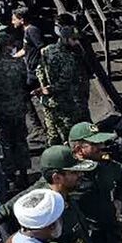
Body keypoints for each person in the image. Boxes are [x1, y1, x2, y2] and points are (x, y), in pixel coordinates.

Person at [0, 146, 98, 243]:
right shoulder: (46, 213)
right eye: (74, 172)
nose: (80, 175)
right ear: (57, 178)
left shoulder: (59, 190)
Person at [0, 31, 30, 187]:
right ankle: (23, 173)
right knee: (21, 141)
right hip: (18, 109)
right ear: (8, 47)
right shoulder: (18, 64)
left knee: (5, 143)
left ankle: (10, 176)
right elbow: (25, 82)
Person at [36, 14, 90, 146]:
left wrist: (45, 88)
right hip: (71, 103)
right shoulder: (72, 54)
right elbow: (67, 80)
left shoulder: (47, 51)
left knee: (57, 137)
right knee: (75, 139)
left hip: (56, 102)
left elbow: (39, 71)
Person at [12, 6, 48, 144]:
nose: (12, 22)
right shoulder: (27, 31)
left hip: (35, 71)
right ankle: (39, 127)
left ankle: (38, 129)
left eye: (14, 19)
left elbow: (42, 49)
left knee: (24, 95)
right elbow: (25, 50)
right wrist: (13, 57)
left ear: (21, 20)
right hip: (31, 70)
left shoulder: (32, 31)